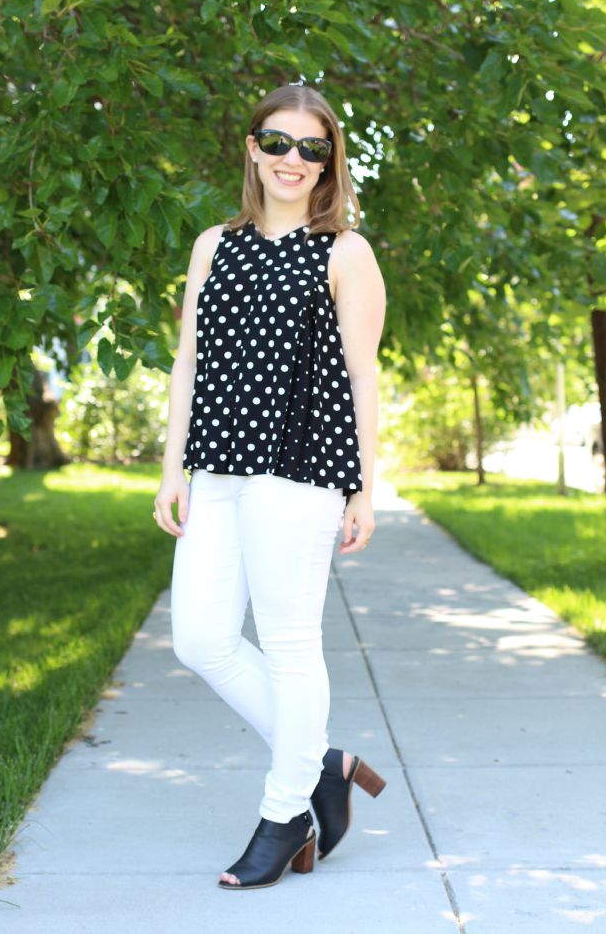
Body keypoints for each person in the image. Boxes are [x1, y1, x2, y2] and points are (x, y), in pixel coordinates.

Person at [154, 83, 387, 890]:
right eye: (278, 143)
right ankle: (324, 762)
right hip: (215, 465)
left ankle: (286, 812)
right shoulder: (214, 243)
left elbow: (363, 375)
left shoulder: (345, 252)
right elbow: (188, 360)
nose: (294, 160)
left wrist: (362, 485)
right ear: (253, 147)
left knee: (290, 642)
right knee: (199, 638)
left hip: (301, 467)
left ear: (331, 163)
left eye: (313, 148)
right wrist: (171, 467)